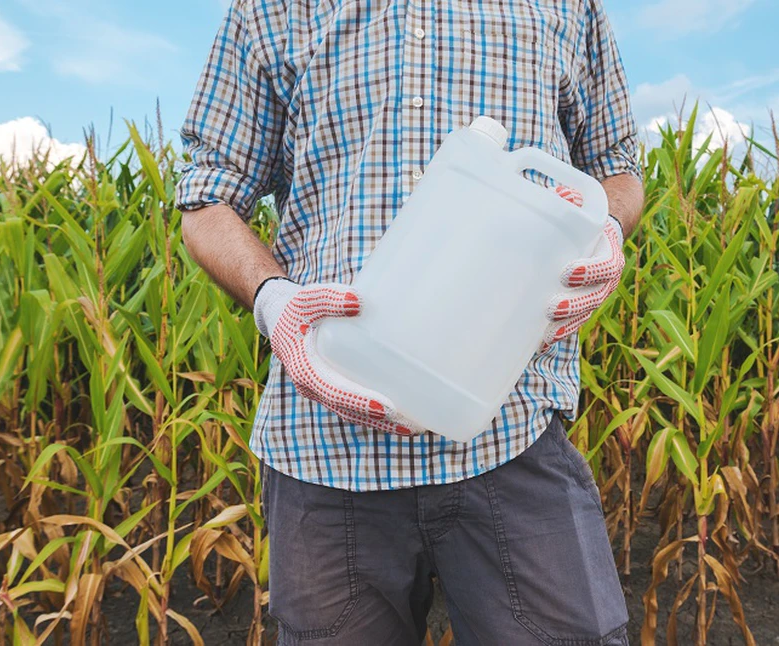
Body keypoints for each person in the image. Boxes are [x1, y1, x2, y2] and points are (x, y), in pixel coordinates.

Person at [175, 1, 644, 643]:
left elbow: (618, 165)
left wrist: (606, 230)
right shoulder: (271, 9)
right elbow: (206, 195)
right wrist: (274, 302)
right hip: (324, 445)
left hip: (512, 424)